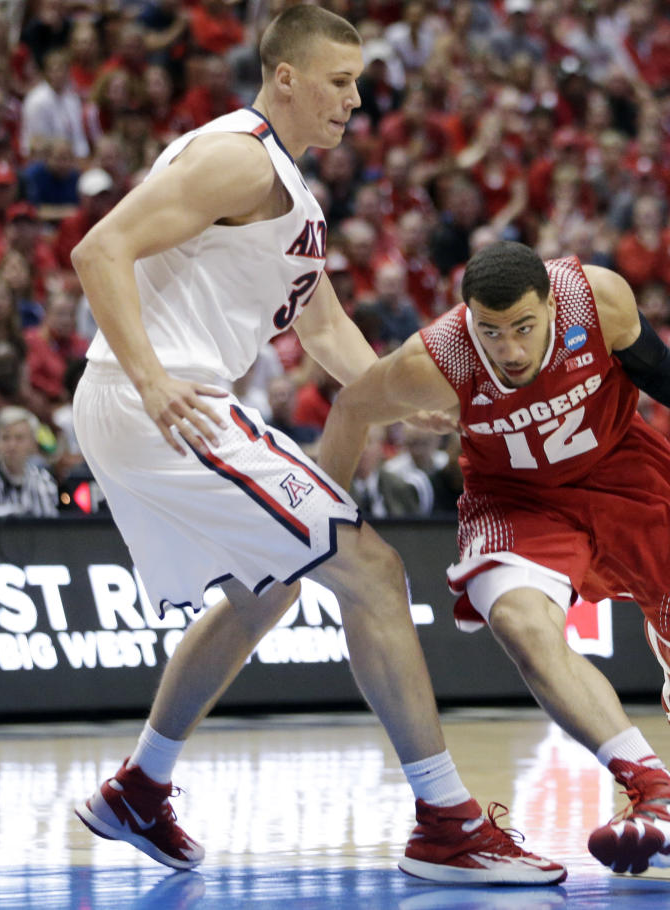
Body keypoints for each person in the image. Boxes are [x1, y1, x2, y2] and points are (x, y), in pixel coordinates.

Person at [68, 8, 563, 886]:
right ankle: (447, 822)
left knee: (270, 594)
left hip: (161, 402)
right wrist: (150, 380)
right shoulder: (237, 155)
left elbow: (327, 328)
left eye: (358, 82)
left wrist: (408, 404)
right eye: (339, 81)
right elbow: (99, 248)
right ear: (286, 76)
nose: (356, 99)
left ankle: (141, 787)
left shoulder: (289, 190)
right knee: (370, 571)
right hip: (161, 399)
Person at [317, 241, 670, 875]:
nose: (507, 348)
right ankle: (655, 789)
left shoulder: (599, 297)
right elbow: (352, 405)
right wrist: (315, 527)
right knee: (518, 621)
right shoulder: (434, 360)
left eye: (523, 327)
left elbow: (662, 369)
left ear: (553, 305)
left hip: (627, 478)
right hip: (516, 501)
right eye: (491, 330)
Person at [0, 405, 58, 517]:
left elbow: (50, 527)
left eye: (19, 438)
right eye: (5, 438)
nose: (12, 445)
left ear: (33, 444)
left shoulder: (43, 481)